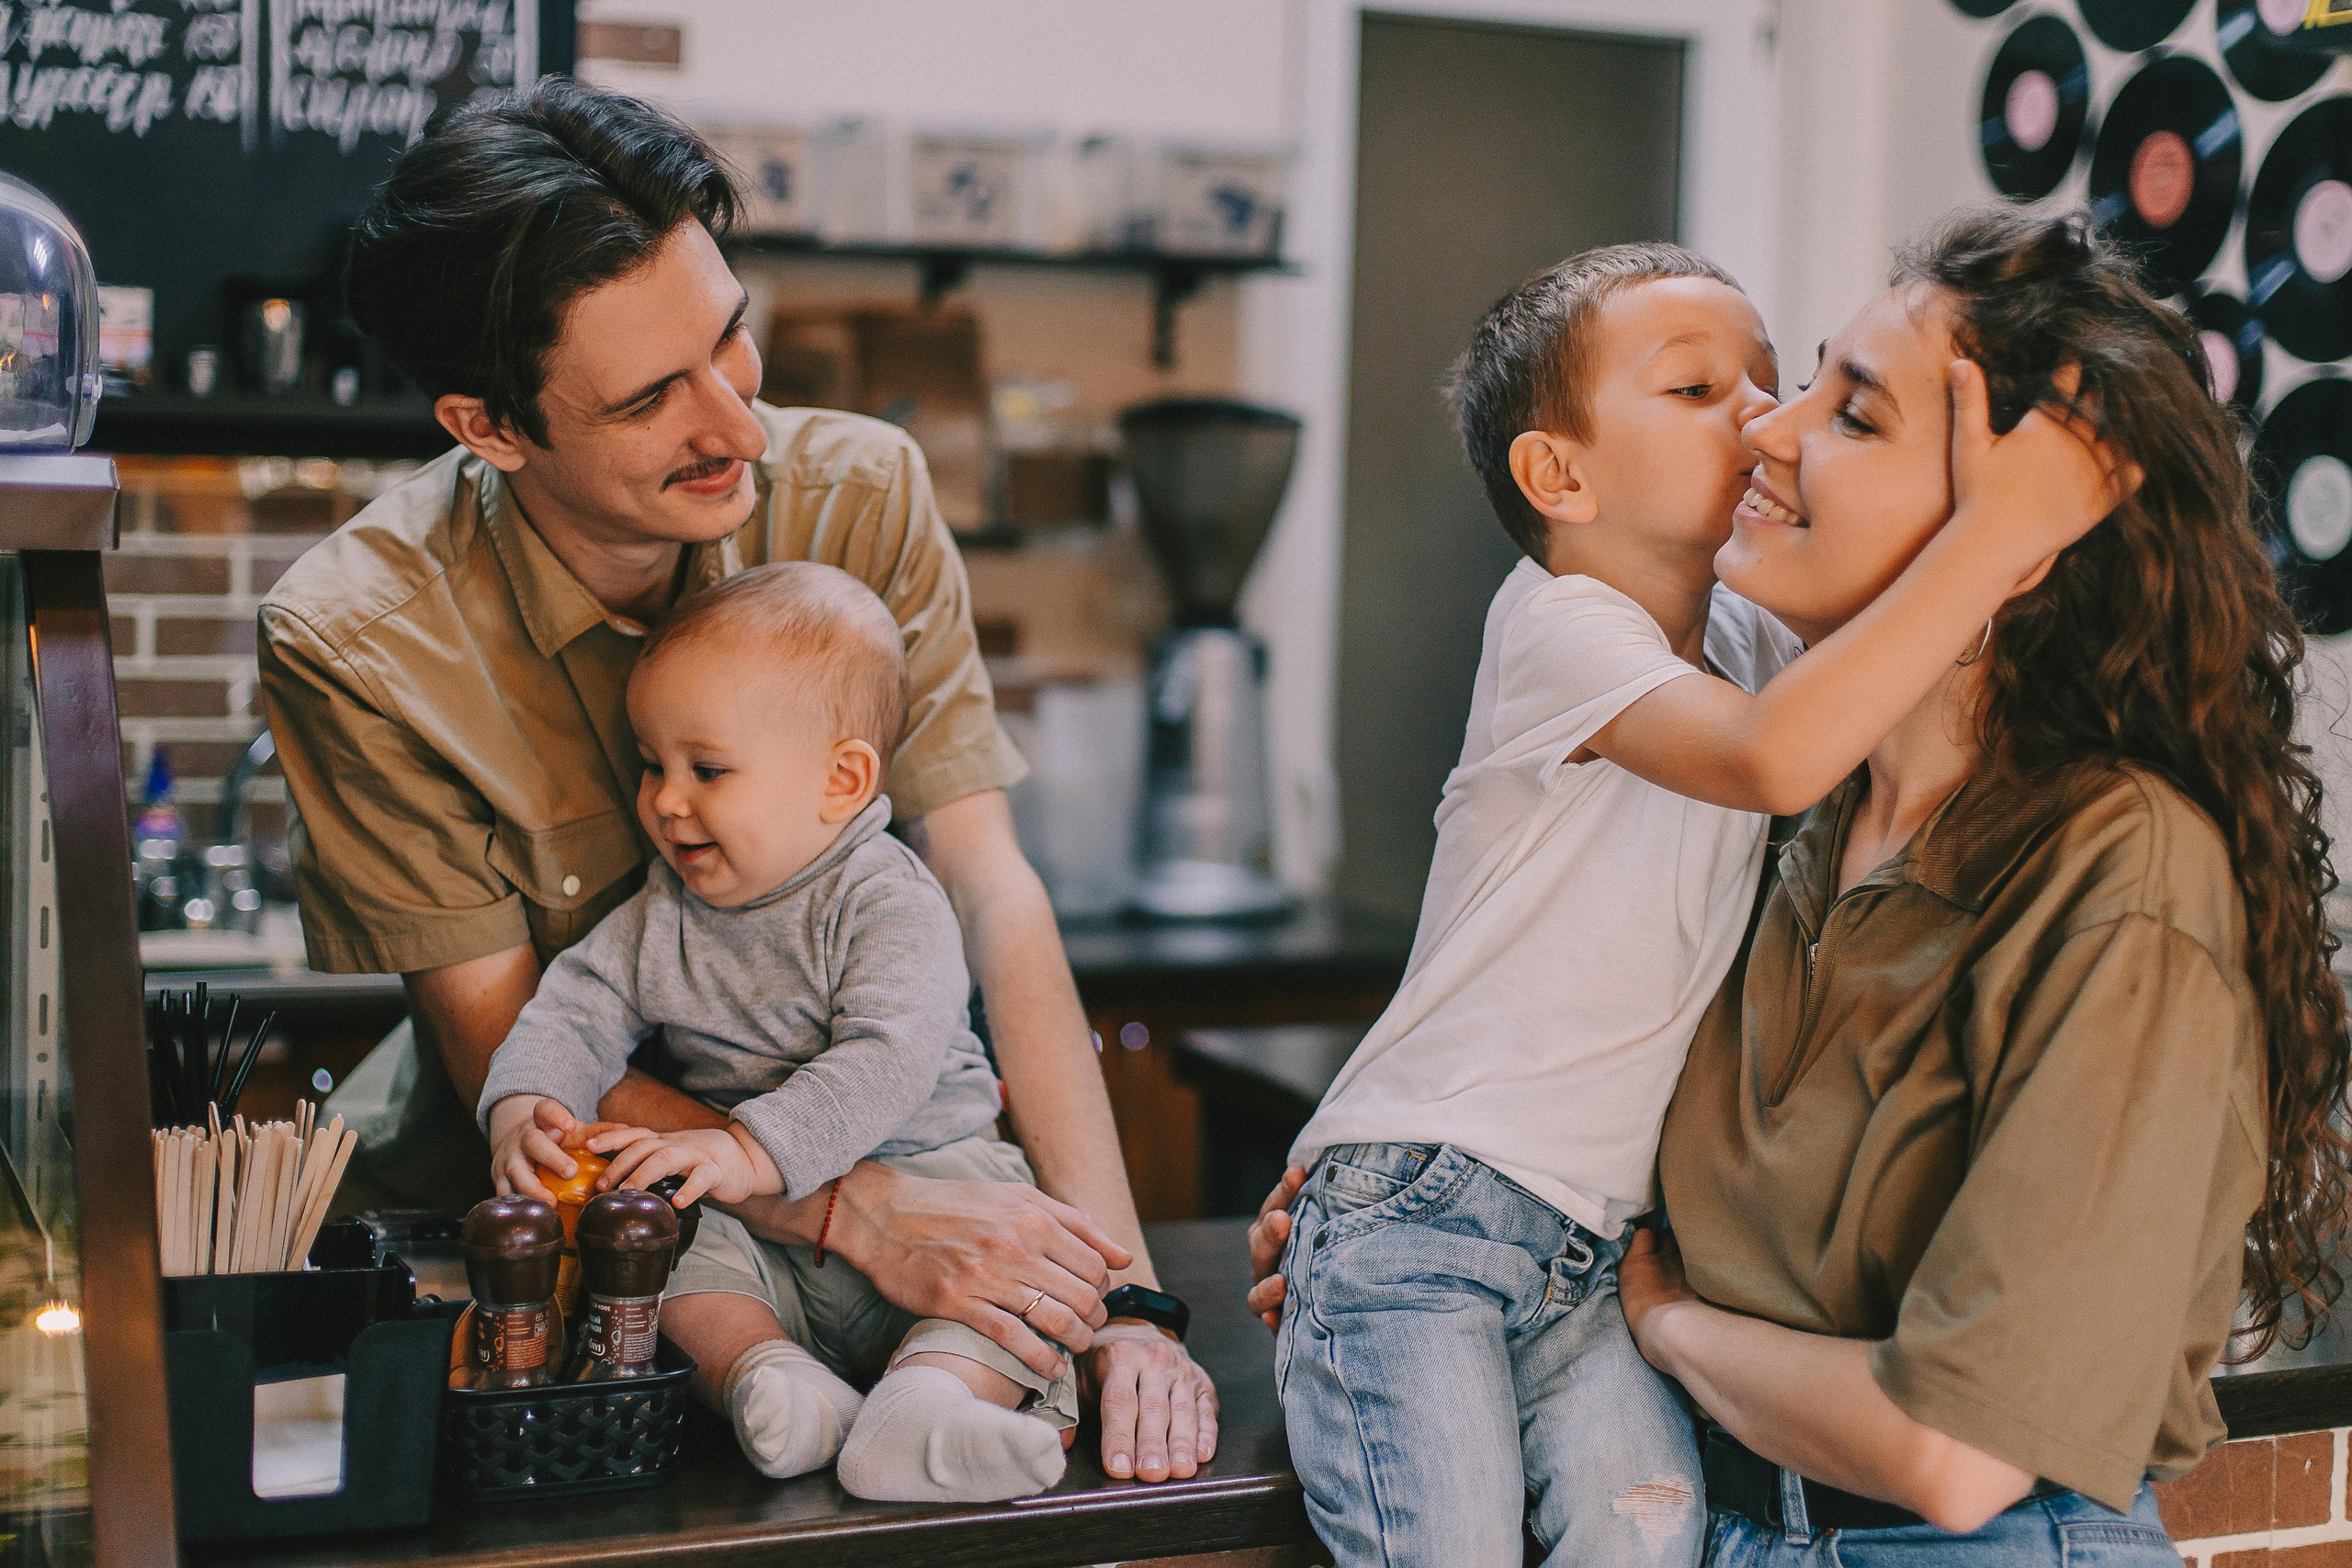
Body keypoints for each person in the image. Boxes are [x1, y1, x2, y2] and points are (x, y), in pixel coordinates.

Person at [256, 79, 1212, 1483]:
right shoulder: (356, 640)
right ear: (491, 425)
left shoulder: (859, 496)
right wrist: (846, 1209)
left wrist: (1119, 1300)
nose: (742, 429)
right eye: (653, 398)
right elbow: (513, 1036)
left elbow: (994, 896)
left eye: (732, 339)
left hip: (893, 1201)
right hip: (550, 1268)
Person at [1264, 243, 2120, 1567]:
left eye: (1773, 384)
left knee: (1648, 1543)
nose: (1762, 421)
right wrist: (1998, 530)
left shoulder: (1744, 639)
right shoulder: (1559, 624)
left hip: (1596, 1252)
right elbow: (1777, 753)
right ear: (1560, 476)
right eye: (1699, 389)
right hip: (1427, 1203)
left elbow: (1879, 651)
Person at [1614, 207, 2352, 1563]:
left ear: (2018, 537)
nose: (1768, 432)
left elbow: (1955, 1453)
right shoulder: (1792, 814)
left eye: (1856, 415)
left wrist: (1663, 1321)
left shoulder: (2122, 866)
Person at [481, 563, 1077, 1503]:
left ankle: (926, 1406)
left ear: (840, 781)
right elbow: (573, 1008)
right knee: (659, 1256)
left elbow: (889, 1058)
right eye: (652, 764)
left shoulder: (885, 897)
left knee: (1008, 1310)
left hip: (933, 1179)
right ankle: (775, 1380)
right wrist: (525, 1102)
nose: (668, 801)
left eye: (706, 769)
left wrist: (749, 1147)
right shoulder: (664, 909)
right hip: (753, 1219)